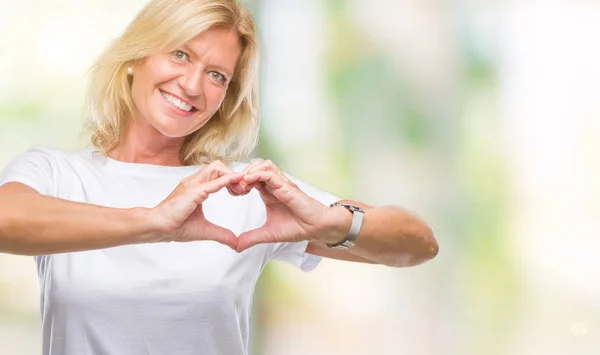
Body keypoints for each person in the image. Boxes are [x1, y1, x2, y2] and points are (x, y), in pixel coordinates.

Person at [0, 0, 439, 354]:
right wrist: (153, 222)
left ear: (226, 98)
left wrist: (332, 222)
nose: (192, 85)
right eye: (180, 54)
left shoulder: (242, 191)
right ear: (135, 57)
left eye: (216, 76)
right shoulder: (56, 174)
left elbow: (417, 245)